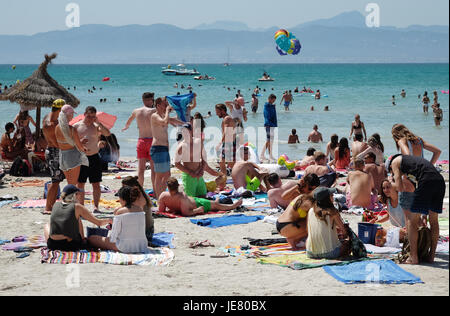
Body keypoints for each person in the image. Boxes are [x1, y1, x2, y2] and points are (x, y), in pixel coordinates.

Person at [387, 154, 445, 264]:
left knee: (411, 221)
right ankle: (431, 256)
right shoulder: (411, 162)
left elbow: (399, 187)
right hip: (439, 181)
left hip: (426, 181)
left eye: (392, 172)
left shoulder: (395, 163)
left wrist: (391, 182)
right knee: (434, 221)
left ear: (390, 167)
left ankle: (413, 257)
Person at [43, 184, 112, 251]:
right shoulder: (77, 206)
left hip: (53, 244)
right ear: (74, 195)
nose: (79, 196)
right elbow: (99, 223)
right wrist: (109, 220)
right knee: (77, 218)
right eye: (77, 194)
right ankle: (82, 239)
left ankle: (52, 240)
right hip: (70, 245)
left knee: (47, 225)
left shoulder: (56, 204)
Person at [88, 186, 148, 253]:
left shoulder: (120, 211)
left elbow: (114, 235)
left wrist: (107, 241)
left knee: (92, 238)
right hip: (141, 245)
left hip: (124, 246)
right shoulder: (140, 209)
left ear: (122, 198)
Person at [74, 106, 111, 212]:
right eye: (89, 116)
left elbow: (107, 133)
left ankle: (96, 206)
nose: (90, 118)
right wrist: (80, 142)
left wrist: (99, 123)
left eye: (93, 116)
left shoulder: (96, 126)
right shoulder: (76, 126)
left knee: (96, 183)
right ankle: (81, 206)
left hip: (94, 156)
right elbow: (71, 142)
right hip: (81, 157)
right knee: (80, 183)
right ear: (85, 114)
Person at [175, 123, 221, 198]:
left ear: (191, 131)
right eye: (183, 131)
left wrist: (202, 170)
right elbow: (177, 163)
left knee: (203, 196)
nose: (185, 132)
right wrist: (190, 172)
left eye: (187, 130)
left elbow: (204, 158)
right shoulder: (181, 146)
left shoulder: (198, 142)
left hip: (199, 174)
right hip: (189, 176)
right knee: (191, 200)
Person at [150, 97, 184, 199]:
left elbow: (173, 121)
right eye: (165, 105)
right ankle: (159, 197)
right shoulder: (154, 116)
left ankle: (162, 194)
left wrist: (185, 124)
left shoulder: (163, 116)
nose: (166, 106)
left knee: (167, 174)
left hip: (164, 148)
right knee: (159, 175)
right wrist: (168, 112)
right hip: (158, 148)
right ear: (158, 105)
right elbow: (165, 122)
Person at [158, 177, 243, 216]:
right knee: (216, 205)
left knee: (213, 203)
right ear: (177, 186)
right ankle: (233, 206)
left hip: (193, 201)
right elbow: (186, 213)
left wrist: (172, 208)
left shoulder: (163, 196)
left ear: (168, 187)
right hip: (197, 204)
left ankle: (215, 202)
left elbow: (161, 210)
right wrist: (197, 211)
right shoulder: (181, 196)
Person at [122, 92, 157, 187]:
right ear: (150, 100)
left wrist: (126, 127)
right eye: (152, 100)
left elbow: (129, 120)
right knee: (153, 170)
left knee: (141, 170)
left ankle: (140, 190)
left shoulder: (136, 111)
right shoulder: (154, 110)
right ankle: (155, 191)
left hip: (141, 141)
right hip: (152, 141)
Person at [306, 187, 349, 259]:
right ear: (327, 198)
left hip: (310, 252)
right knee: (348, 244)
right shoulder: (332, 212)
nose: (333, 196)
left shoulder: (311, 211)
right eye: (331, 195)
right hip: (329, 253)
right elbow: (343, 231)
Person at [41, 99, 66, 215]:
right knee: (55, 181)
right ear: (60, 109)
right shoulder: (51, 124)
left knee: (58, 180)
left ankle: (52, 206)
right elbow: (56, 143)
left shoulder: (49, 117)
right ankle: (48, 207)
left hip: (54, 150)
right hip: (54, 151)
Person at [54, 105, 88, 185]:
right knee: (73, 184)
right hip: (72, 156)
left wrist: (79, 142)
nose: (73, 116)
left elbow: (63, 142)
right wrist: (85, 149)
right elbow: (80, 147)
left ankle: (67, 197)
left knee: (69, 183)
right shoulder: (72, 129)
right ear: (68, 115)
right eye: (72, 114)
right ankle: (69, 197)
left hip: (62, 156)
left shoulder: (57, 128)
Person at [121, 176, 154, 245]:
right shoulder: (141, 194)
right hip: (148, 230)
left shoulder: (139, 198)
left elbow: (138, 217)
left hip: (146, 233)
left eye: (124, 187)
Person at [215, 103, 236, 175]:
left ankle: (225, 178)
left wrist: (220, 143)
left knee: (223, 161)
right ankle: (227, 177)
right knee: (230, 163)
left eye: (217, 112)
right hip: (229, 143)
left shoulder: (227, 119)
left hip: (228, 143)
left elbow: (226, 132)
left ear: (223, 111)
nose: (216, 114)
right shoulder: (227, 118)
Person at [261, 94, 277, 162]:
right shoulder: (267, 105)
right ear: (270, 98)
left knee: (270, 141)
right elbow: (267, 115)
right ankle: (262, 155)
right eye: (273, 100)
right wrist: (268, 124)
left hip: (271, 125)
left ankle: (270, 155)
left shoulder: (271, 106)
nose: (273, 101)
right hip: (268, 125)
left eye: (274, 101)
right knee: (268, 140)